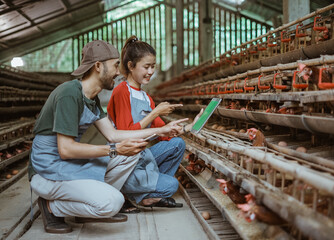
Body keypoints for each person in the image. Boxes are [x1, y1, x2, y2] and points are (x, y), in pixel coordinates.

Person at [28, 40, 186, 234]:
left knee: (131, 153)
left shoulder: (92, 99)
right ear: (97, 66)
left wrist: (161, 131)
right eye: (115, 65)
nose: (118, 72)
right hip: (47, 170)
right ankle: (52, 207)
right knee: (112, 203)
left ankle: (86, 205)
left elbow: (114, 135)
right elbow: (66, 149)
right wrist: (114, 150)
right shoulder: (69, 93)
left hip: (67, 164)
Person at [107, 36, 203, 213]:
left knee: (177, 144)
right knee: (171, 186)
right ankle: (130, 191)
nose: (151, 72)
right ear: (130, 66)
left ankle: (146, 192)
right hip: (124, 162)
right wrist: (154, 113)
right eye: (146, 66)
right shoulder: (122, 91)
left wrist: (190, 127)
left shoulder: (145, 97)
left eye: (153, 67)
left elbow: (164, 134)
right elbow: (124, 134)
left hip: (141, 157)